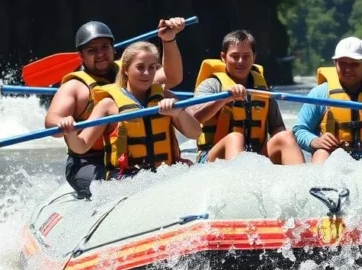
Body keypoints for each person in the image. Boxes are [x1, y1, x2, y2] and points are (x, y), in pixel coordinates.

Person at [46, 17, 186, 197]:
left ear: (113, 48)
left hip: (128, 158)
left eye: (105, 47)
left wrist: (168, 40)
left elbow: (172, 78)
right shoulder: (75, 87)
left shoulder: (131, 71)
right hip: (88, 160)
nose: (100, 54)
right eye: (92, 50)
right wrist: (64, 124)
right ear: (81, 56)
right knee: (111, 192)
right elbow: (51, 122)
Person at [60, 42, 201, 182]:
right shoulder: (108, 105)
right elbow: (81, 145)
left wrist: (179, 114)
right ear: (126, 70)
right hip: (127, 179)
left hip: (165, 172)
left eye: (152, 67)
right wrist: (70, 133)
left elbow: (195, 134)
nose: (147, 73)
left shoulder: (166, 97)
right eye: (140, 67)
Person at [186, 30, 305, 165]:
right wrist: (224, 99)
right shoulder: (211, 85)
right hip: (212, 157)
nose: (240, 61)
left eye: (246, 56)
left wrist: (283, 145)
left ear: (254, 57)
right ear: (223, 57)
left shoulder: (261, 89)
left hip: (254, 155)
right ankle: (240, 184)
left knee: (286, 137)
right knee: (235, 138)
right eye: (235, 56)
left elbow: (277, 127)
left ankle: (300, 183)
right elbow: (193, 118)